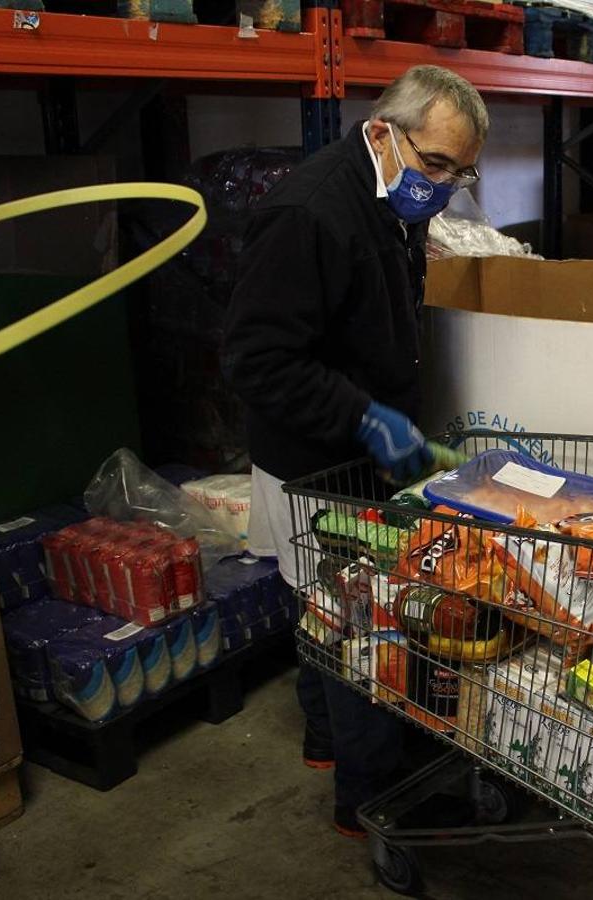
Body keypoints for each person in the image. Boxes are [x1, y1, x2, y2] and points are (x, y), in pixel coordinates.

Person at [222, 65, 489, 835]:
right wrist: (364, 416)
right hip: (315, 460)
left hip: (355, 447)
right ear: (382, 131)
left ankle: (324, 741)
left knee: (324, 606)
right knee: (360, 625)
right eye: (434, 163)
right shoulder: (309, 214)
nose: (441, 185)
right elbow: (255, 360)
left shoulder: (391, 198)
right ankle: (372, 804)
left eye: (458, 172)